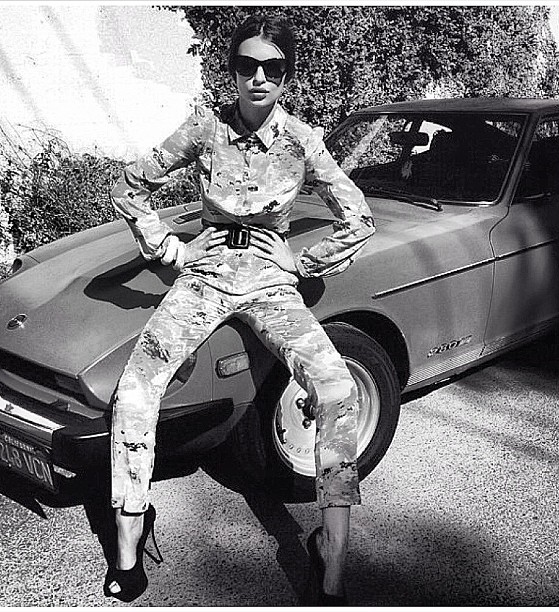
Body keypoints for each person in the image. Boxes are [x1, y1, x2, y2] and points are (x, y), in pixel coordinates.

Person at [104, 14, 376, 605]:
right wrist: (171, 249)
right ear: (231, 70)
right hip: (203, 279)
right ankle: (129, 532)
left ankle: (331, 548)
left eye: (272, 68)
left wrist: (303, 263)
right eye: (247, 65)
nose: (258, 77)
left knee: (336, 389)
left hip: (272, 286)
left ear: (287, 76)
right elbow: (129, 184)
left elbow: (359, 218)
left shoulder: (303, 142)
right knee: (135, 390)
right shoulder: (205, 129)